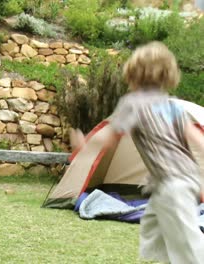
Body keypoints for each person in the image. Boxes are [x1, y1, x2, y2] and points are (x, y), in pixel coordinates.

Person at [70, 42, 204, 263]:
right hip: (180, 181)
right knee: (153, 226)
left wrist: (85, 144)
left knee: (188, 243)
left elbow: (110, 137)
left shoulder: (132, 104)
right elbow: (197, 138)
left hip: (173, 183)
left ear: (133, 73)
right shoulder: (174, 107)